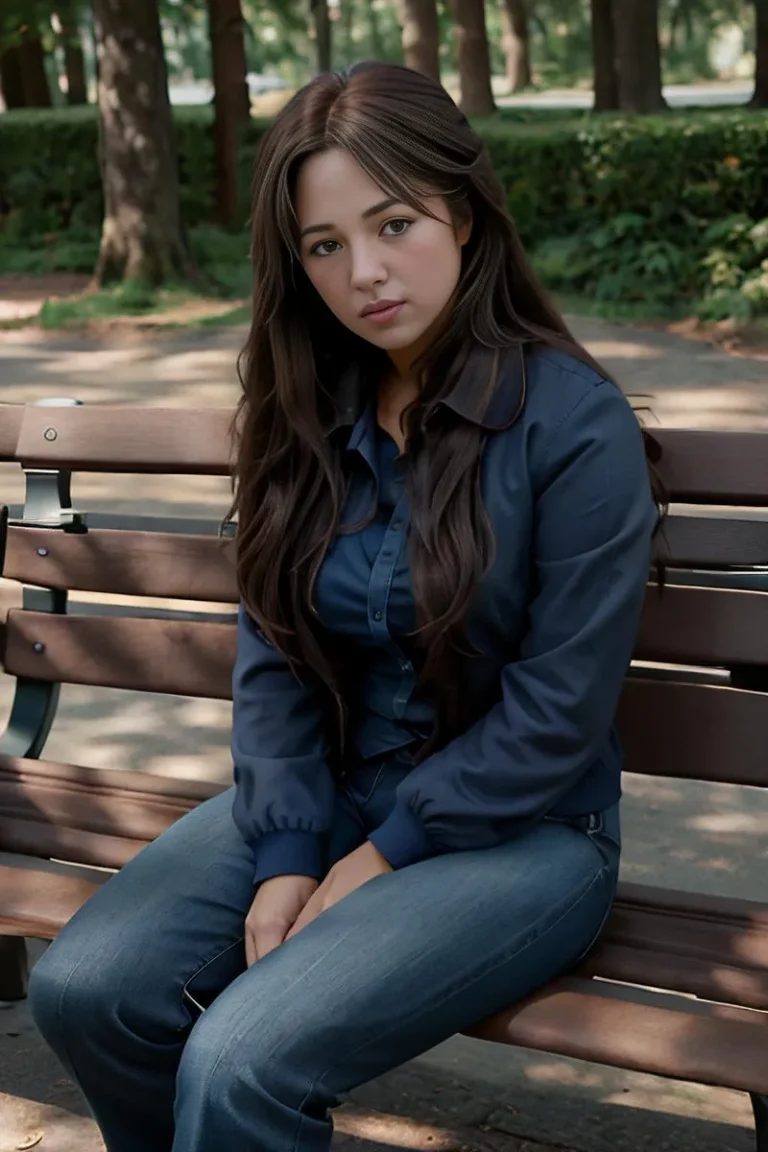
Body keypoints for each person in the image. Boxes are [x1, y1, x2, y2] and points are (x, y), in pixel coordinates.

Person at [28, 60, 659, 1152]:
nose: (365, 272)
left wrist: (376, 856)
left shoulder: (574, 426)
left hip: (527, 835)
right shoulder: (307, 412)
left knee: (241, 1062)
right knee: (85, 990)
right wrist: (286, 855)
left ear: (460, 213)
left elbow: (557, 711)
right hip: (330, 796)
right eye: (325, 246)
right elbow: (272, 658)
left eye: (394, 223)